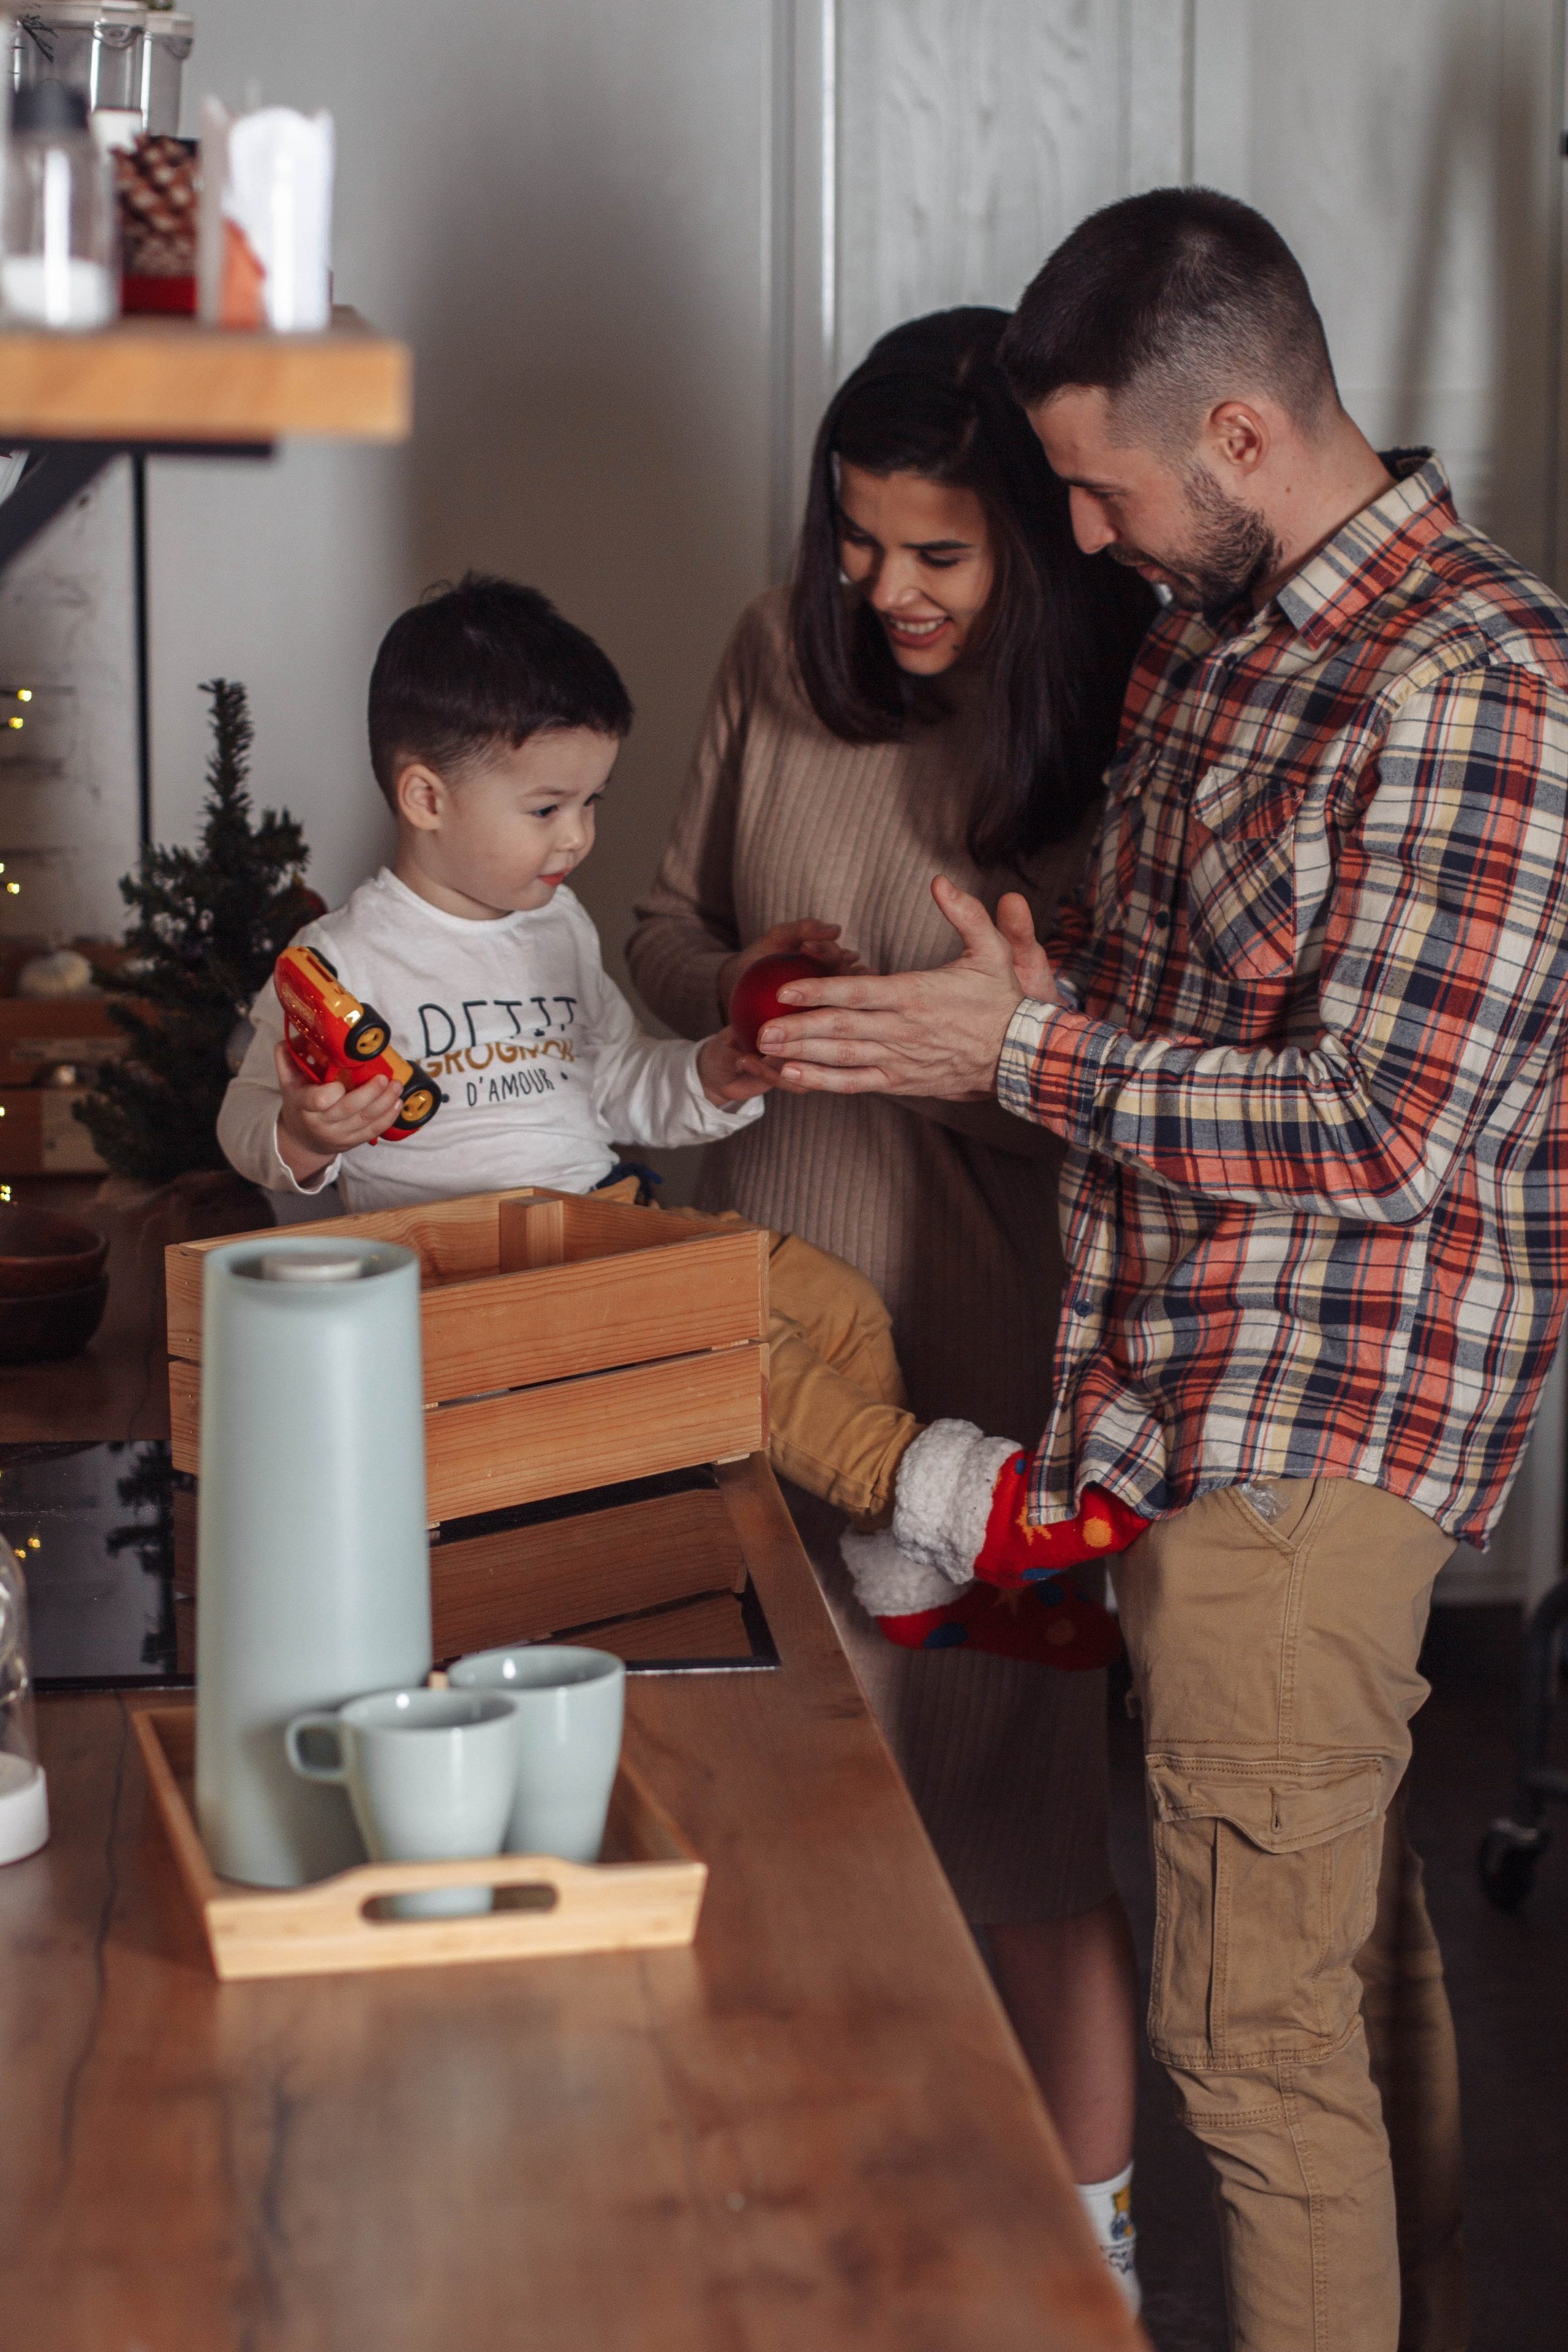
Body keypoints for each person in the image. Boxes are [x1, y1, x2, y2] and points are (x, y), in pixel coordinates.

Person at [755, 187, 1568, 2352]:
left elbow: (1383, 1132)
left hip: (1320, 1431)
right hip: (1185, 1398)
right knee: (1343, 1972)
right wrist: (1055, 996)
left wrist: (1023, 1051)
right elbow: (1202, 1020)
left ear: (1239, 436)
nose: (1084, 539)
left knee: (1253, 2051)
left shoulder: (1477, 684)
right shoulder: (1221, 639)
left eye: (1101, 490)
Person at [628, 309, 1155, 2306]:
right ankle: (815, 2266)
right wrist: (744, 991)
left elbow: (1128, 1108)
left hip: (986, 1383)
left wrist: (971, 1047)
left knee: (1021, 1847)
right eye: (858, 541)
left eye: (939, 552)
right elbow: (656, 936)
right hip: (755, 1345)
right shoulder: (778, 655)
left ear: (1036, 538)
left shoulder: (1117, 727)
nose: (887, 589)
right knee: (766, 1828)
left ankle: (1096, 2275)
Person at [216, 574, 1129, 1653]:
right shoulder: (341, 960)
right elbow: (247, 1121)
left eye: (592, 802)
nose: (577, 837)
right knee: (732, 1344)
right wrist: (307, 1135)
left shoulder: (554, 927)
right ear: (426, 798)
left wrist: (714, 1073)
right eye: (547, 808)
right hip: (472, 1274)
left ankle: (896, 1562)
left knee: (841, 1306)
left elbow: (611, 1081)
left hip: (605, 1225)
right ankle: (955, 1501)